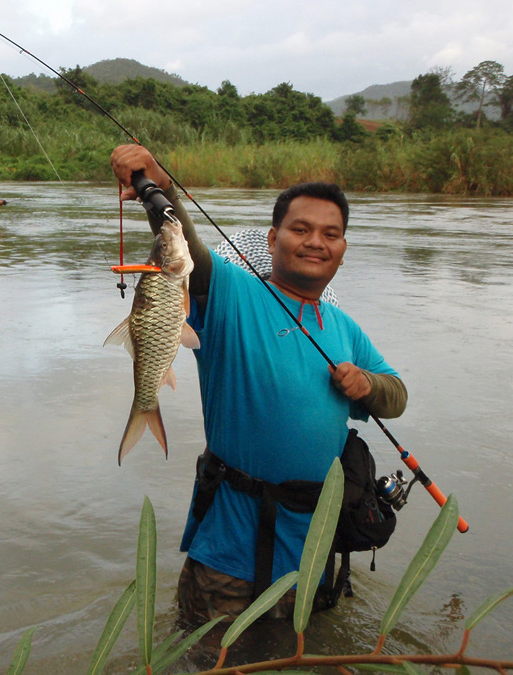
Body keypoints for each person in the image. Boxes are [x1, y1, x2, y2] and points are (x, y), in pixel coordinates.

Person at [110, 144, 407, 624]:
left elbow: (396, 397)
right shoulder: (231, 291)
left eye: (330, 234)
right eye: (301, 229)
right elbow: (187, 253)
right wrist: (159, 190)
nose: (315, 242)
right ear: (273, 238)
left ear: (343, 250)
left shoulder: (346, 329)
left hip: (310, 553)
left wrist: (366, 384)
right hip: (228, 548)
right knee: (207, 658)